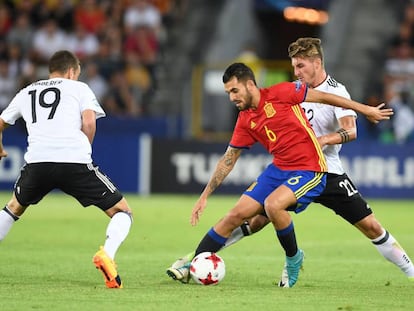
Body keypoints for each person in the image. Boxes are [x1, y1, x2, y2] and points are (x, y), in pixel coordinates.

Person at [166, 61, 393, 287]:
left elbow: (325, 97)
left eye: (234, 91)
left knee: (273, 205)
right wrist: (205, 195)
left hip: (310, 168)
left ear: (250, 85)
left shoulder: (282, 92)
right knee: (234, 216)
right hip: (278, 169)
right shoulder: (245, 119)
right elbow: (229, 158)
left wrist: (365, 110)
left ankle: (294, 258)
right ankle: (194, 263)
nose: (232, 98)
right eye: (228, 93)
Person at [0, 50, 133, 289]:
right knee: (122, 211)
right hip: (74, 162)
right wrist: (84, 150)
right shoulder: (80, 89)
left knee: (13, 208)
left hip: (37, 163)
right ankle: (108, 255)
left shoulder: (27, 91)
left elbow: (1, 123)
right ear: (72, 71)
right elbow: (89, 122)